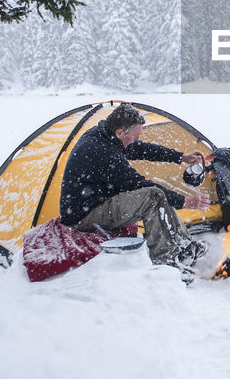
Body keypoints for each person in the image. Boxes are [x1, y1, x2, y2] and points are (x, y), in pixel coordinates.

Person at [59, 103, 211, 272]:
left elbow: (141, 149)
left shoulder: (106, 135)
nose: (137, 140)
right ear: (120, 133)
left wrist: (180, 157)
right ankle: (166, 261)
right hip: (84, 216)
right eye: (135, 135)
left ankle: (183, 245)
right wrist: (185, 201)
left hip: (96, 201)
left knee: (156, 194)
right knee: (153, 196)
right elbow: (139, 183)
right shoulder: (104, 152)